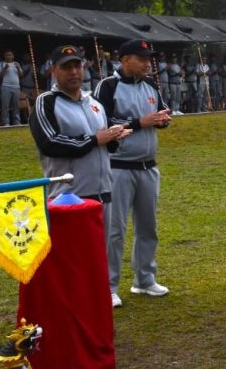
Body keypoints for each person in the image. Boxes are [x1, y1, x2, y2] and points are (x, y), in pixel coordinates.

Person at [94, 39, 172, 309]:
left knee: (148, 226)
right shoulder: (108, 86)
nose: (148, 63)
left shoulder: (150, 85)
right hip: (118, 167)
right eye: (142, 58)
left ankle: (145, 279)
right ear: (125, 59)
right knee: (114, 230)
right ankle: (108, 286)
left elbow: (160, 111)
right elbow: (101, 121)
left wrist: (162, 119)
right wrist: (141, 122)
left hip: (148, 166)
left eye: (149, 58)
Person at [29, 45, 131, 244]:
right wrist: (94, 139)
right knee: (75, 257)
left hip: (102, 195)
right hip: (69, 198)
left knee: (104, 256)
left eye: (77, 66)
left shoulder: (94, 103)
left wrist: (114, 137)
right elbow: (50, 142)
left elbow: (104, 144)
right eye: (66, 67)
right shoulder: (46, 102)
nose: (74, 72)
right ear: (54, 70)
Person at [0, 50, 23, 125]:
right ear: (4, 56)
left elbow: (21, 75)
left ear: (13, 56)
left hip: (16, 87)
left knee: (16, 105)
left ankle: (17, 122)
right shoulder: (1, 64)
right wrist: (4, 69)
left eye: (10, 55)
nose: (9, 56)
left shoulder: (16, 64)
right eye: (7, 55)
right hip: (5, 86)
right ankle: (6, 122)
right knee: (5, 106)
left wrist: (18, 68)